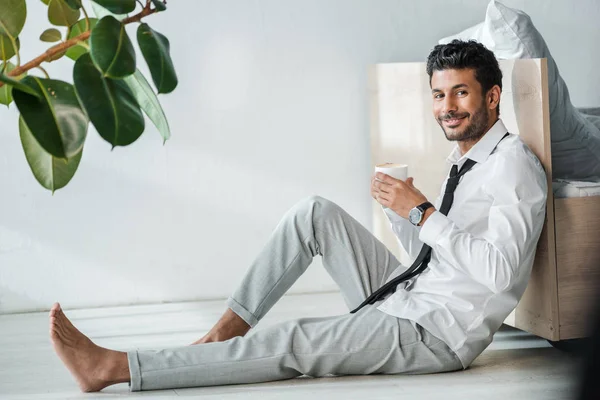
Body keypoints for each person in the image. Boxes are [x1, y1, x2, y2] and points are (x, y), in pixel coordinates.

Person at [49, 39, 548, 392]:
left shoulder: (514, 168)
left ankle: (115, 368)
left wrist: (420, 212)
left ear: (492, 96)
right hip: (409, 294)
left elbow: (500, 273)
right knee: (314, 213)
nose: (447, 107)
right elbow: (432, 255)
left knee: (293, 340)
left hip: (436, 334)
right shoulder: (466, 159)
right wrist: (401, 212)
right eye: (439, 95)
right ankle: (227, 329)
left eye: (460, 92)